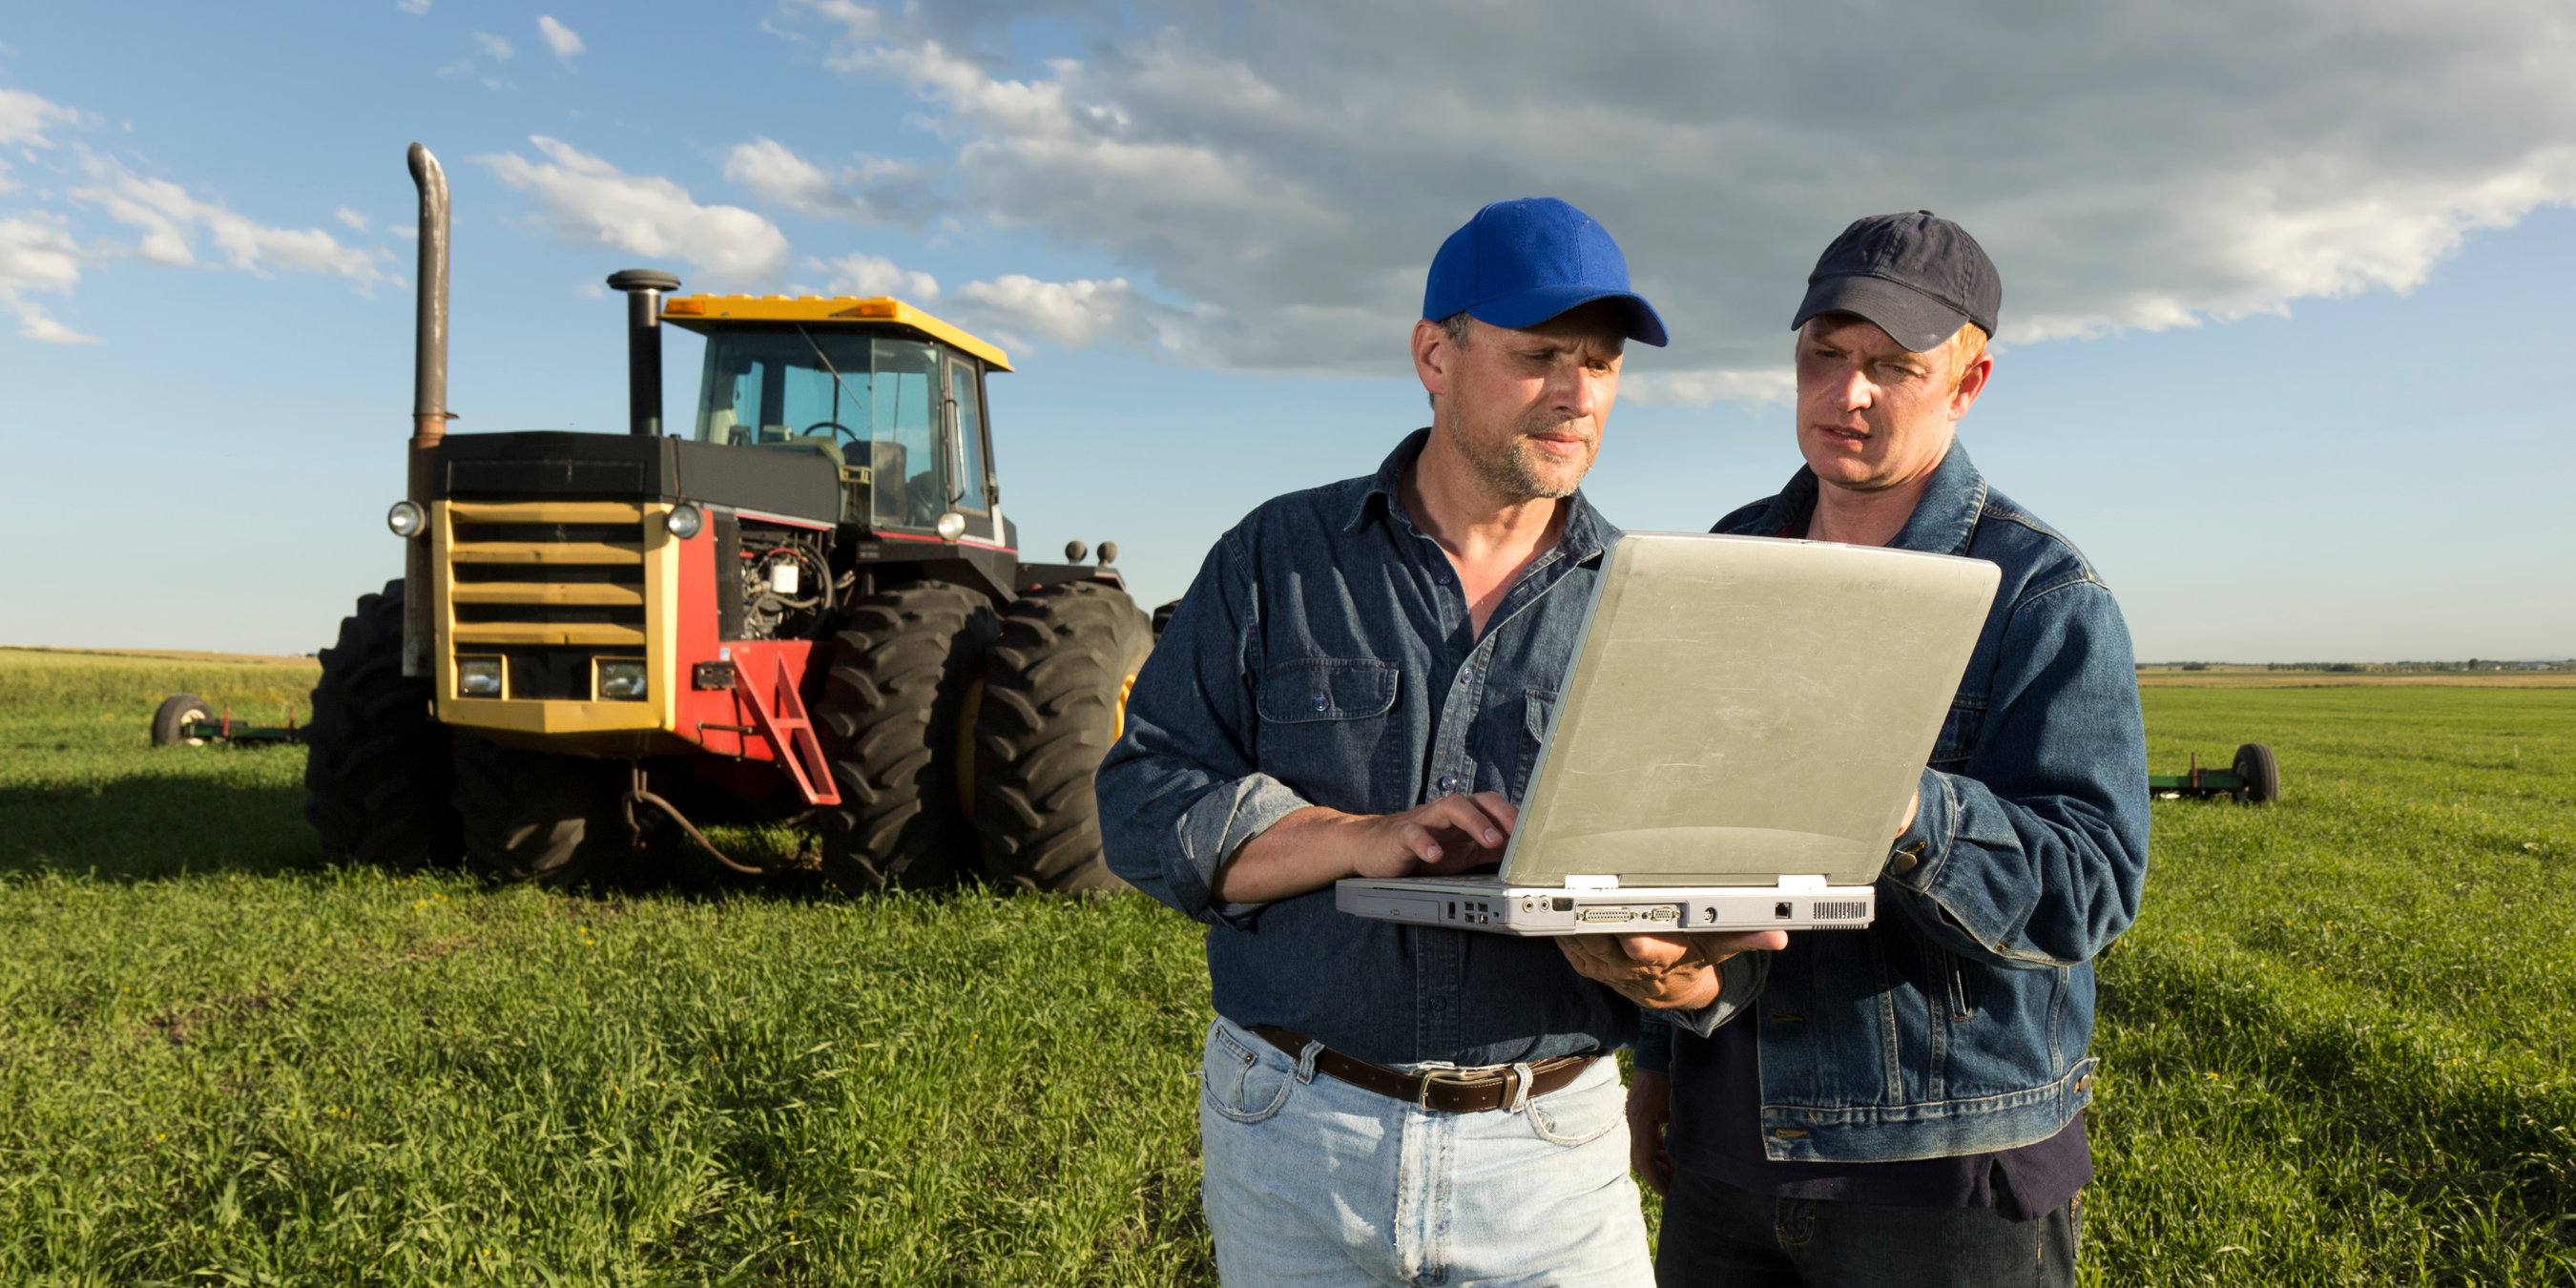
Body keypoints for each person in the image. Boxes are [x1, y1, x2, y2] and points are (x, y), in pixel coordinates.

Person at [1097, 197, 1776, 1285]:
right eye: (1539, 354)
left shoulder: (1651, 608)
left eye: (1600, 364)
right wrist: (1359, 838)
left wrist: (1672, 975)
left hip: (1549, 1150)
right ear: (1435, 355)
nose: (1576, 393)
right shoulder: (1278, 556)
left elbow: (1701, 897)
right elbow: (1143, 801)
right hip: (1294, 1126)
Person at [1631, 212, 2150, 1288]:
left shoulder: (2044, 595)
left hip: (1942, 1171)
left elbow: (2091, 886)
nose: (1848, 392)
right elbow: (1661, 828)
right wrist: (1657, 1062)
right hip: (1730, 1156)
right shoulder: (1727, 559)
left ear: (1969, 384)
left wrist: (1897, 801)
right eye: (1826, 355)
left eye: (1892, 367)